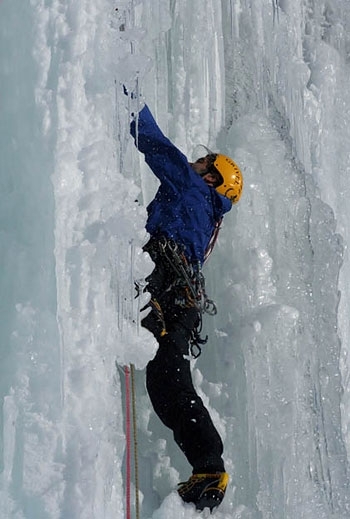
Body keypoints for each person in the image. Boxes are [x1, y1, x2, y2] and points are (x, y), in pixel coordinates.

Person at [130, 98, 243, 511]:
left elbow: (156, 145)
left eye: (202, 162)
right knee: (169, 382)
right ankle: (209, 466)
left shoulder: (193, 188)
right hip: (183, 300)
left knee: (157, 351)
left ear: (212, 178)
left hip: (161, 280)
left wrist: (127, 91)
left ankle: (145, 318)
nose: (195, 163)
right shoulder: (210, 218)